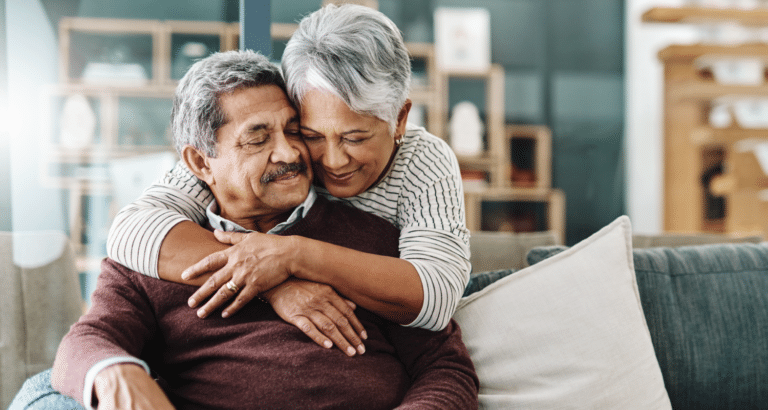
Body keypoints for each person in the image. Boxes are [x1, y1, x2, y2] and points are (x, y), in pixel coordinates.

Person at [34, 49, 479, 410]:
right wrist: (116, 374)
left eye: (292, 130)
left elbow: (446, 368)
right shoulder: (154, 255)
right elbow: (85, 343)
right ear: (200, 164)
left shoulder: (370, 242)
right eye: (257, 138)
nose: (289, 153)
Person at [106, 4, 470, 353]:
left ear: (400, 119)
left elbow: (437, 298)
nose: (333, 160)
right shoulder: (276, 155)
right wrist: (277, 282)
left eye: (355, 138)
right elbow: (131, 230)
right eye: (310, 134)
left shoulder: (423, 161)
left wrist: (294, 255)